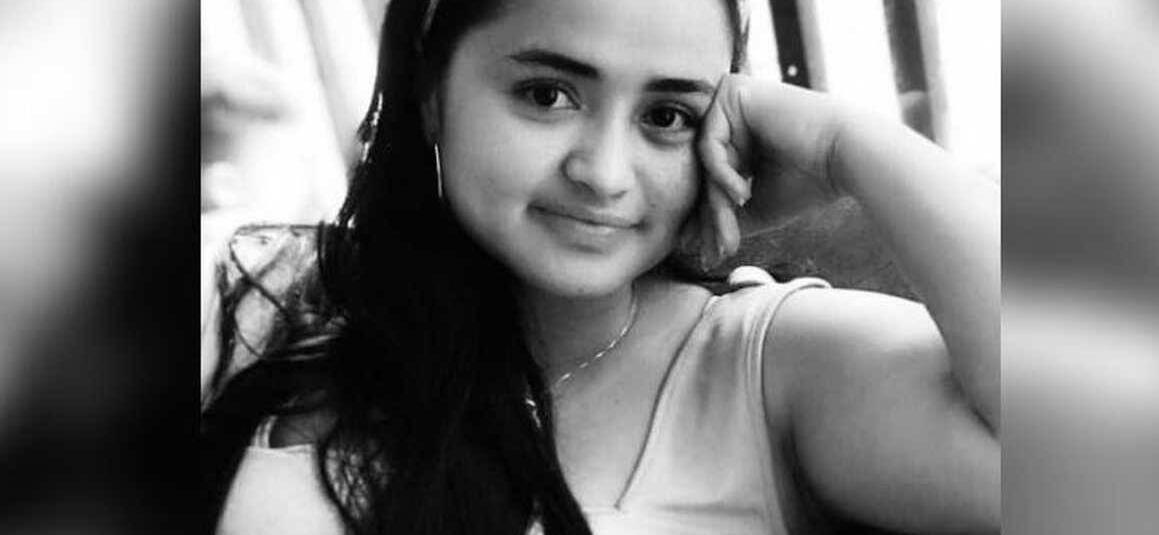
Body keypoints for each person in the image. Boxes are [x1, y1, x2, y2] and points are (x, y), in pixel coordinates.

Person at [200, 0, 999, 533]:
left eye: (667, 115)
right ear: (432, 89)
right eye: (548, 94)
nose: (604, 173)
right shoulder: (266, 298)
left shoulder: (767, 363)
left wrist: (845, 145)